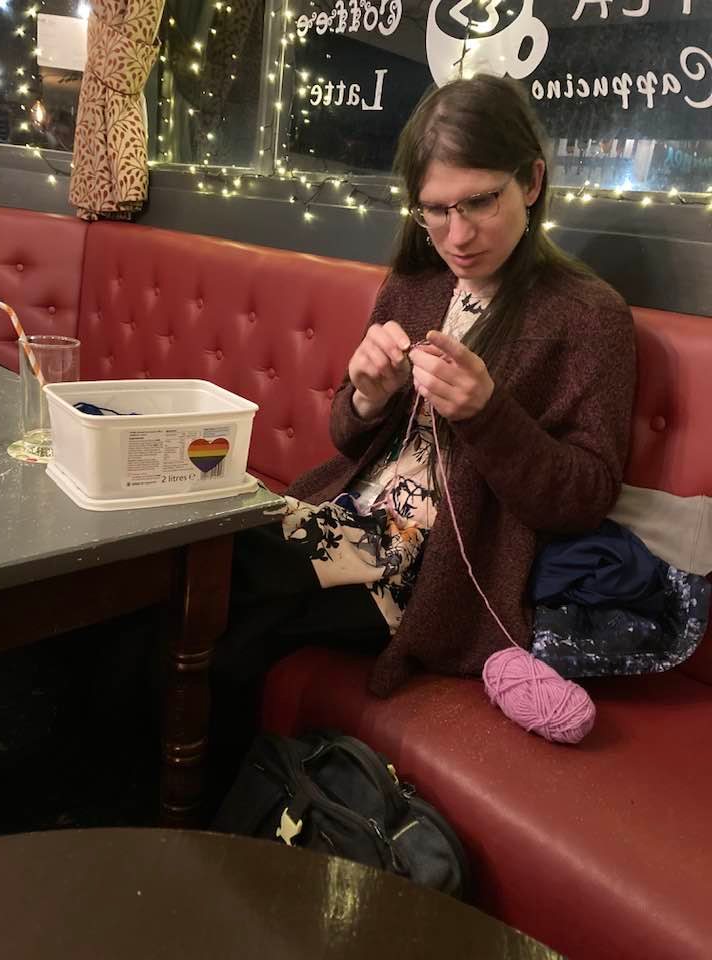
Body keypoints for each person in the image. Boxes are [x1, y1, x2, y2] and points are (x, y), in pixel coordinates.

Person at [211, 73, 636, 740]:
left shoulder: (588, 316)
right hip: (345, 519)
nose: (457, 234)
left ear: (531, 181)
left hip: (434, 576)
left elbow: (586, 495)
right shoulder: (413, 286)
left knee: (220, 580)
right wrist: (366, 396)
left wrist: (488, 413)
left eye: (480, 201)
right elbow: (346, 437)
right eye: (435, 210)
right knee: (213, 605)